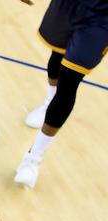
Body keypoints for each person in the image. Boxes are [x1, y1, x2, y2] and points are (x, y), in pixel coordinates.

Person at [15, 0, 108, 187]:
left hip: (101, 18)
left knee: (69, 81)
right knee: (57, 57)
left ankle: (33, 158)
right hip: (68, 5)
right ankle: (49, 100)